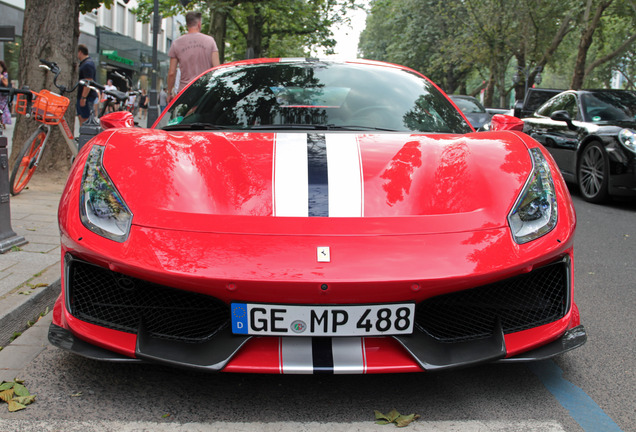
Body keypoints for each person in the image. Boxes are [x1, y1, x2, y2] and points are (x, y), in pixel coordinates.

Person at [167, 11, 220, 103]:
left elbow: (171, 73)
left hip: (185, 92)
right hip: (205, 91)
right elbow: (217, 69)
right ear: (199, 24)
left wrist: (169, 93)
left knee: (185, 116)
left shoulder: (176, 43)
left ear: (187, 24)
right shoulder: (210, 41)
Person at [77, 44, 98, 125]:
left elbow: (88, 82)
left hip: (87, 97)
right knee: (81, 117)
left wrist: (83, 97)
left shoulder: (87, 64)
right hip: (82, 96)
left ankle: (86, 136)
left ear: (80, 52)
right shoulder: (84, 63)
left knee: (85, 119)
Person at [0, 61, 12, 126]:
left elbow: (6, 84)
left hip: (3, 94)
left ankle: (4, 121)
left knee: (3, 107)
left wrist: (2, 78)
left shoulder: (4, 74)